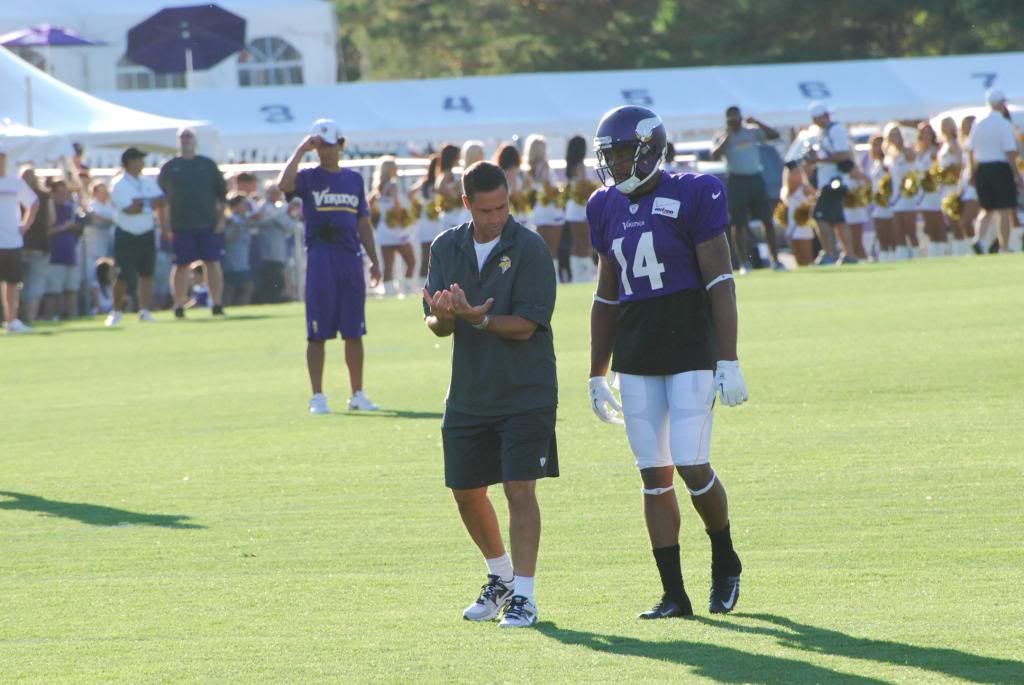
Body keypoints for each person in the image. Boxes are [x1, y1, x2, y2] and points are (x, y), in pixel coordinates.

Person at [586, 105, 747, 620]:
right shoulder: (604, 205)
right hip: (637, 351)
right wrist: (596, 370)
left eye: (622, 152)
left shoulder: (694, 191)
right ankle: (674, 594)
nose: (613, 163)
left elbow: (720, 281)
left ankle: (725, 558)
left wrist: (729, 358)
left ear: (651, 147)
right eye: (608, 154)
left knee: (690, 461)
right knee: (653, 476)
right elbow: (606, 295)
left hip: (688, 346)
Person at [422, 160, 557, 629]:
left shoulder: (531, 247)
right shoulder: (446, 246)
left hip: (526, 390)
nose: (496, 216)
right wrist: (443, 315)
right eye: (486, 210)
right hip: (469, 392)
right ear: (466, 206)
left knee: (520, 489)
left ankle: (525, 595)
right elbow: (437, 326)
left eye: (502, 206)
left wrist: (477, 319)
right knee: (464, 491)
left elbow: (527, 325)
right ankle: (498, 574)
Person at [277, 118, 382, 414]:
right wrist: (300, 150)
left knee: (354, 330)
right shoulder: (309, 177)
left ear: (341, 145)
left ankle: (357, 393)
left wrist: (374, 259)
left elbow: (363, 222)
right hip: (322, 258)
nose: (325, 151)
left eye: (330, 145)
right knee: (317, 331)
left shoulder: (353, 180)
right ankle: (318, 396)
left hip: (350, 258)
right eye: (320, 145)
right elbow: (283, 184)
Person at [158, 128, 228, 318]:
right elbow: (161, 200)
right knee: (181, 265)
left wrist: (221, 220)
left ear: (195, 141)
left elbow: (222, 195)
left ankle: (217, 303)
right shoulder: (170, 167)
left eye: (189, 137)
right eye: (182, 137)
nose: (186, 140)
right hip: (181, 224)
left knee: (212, 263)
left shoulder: (207, 165)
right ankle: (179, 305)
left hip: (208, 222)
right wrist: (164, 225)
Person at [710, 106, 783, 271]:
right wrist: (727, 136)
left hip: (755, 178)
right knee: (739, 222)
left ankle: (776, 260)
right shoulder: (722, 136)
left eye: (736, 118)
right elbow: (714, 155)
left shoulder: (751, 132)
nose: (734, 122)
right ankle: (744, 262)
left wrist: (757, 122)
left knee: (767, 220)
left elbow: (774, 135)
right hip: (737, 180)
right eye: (731, 119)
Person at [107, 147, 163, 326]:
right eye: (139, 159)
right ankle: (116, 311)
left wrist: (141, 203)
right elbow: (129, 209)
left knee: (147, 273)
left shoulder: (147, 182)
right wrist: (147, 203)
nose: (142, 163)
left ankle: (145, 310)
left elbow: (161, 200)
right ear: (130, 162)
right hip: (127, 233)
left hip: (147, 231)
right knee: (123, 274)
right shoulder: (119, 184)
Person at [968, 89, 1022, 253]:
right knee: (1004, 209)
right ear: (1000, 104)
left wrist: (972, 171)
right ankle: (1004, 246)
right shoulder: (1004, 124)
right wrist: (1018, 175)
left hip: (982, 168)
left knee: (987, 208)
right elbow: (1010, 152)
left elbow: (971, 150)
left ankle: (979, 240)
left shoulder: (978, 122)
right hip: (1000, 168)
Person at [807, 102, 853, 265]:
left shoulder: (836, 130)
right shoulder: (823, 132)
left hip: (834, 180)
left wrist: (819, 159)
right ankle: (848, 254)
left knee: (819, 216)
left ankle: (829, 253)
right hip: (828, 180)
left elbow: (843, 154)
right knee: (838, 219)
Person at [0, 148, 40, 333]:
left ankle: (12, 320)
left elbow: (33, 202)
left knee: (12, 282)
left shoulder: (14, 182)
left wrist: (26, 225)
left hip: (11, 241)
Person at [369, 156, 416, 297]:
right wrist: (402, 218)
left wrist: (377, 217)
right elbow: (397, 204)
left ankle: (389, 292)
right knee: (411, 260)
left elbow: (369, 204)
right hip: (396, 229)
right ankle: (407, 290)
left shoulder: (378, 187)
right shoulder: (393, 184)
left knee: (388, 265)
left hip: (384, 230)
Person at [43, 179, 83, 320]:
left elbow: (79, 227)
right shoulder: (48, 208)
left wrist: (74, 226)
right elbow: (46, 232)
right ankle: (51, 316)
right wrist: (64, 227)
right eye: (60, 192)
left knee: (71, 289)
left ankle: (72, 315)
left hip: (70, 254)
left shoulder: (70, 209)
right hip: (54, 256)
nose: (64, 195)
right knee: (53, 291)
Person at [523, 135, 564, 267]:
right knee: (553, 250)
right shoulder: (544, 165)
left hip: (537, 212)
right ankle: (555, 277)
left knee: (541, 249)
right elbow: (548, 186)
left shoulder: (529, 169)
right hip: (550, 211)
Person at [18, 166, 51, 324]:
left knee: (17, 283)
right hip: (36, 245)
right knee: (34, 284)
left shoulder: (14, 195)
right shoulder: (44, 196)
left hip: (18, 244)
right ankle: (28, 318)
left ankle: (18, 317)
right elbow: (52, 220)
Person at [253, 182, 295, 303]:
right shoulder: (261, 207)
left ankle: (278, 297)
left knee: (279, 275)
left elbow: (290, 226)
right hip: (264, 249)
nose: (275, 195)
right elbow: (256, 222)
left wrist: (275, 218)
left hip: (280, 249)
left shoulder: (283, 207)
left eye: (277, 192)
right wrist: (273, 219)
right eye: (272, 192)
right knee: (268, 276)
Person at [564, 135, 598, 281]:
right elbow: (585, 187)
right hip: (581, 209)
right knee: (585, 243)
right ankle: (584, 275)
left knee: (577, 243)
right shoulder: (580, 166)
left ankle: (578, 274)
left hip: (573, 209)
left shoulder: (571, 166)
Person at [884, 123, 919, 260]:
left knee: (910, 230)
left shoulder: (907, 152)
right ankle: (902, 258)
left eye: (897, 134)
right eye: (892, 134)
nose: (895, 137)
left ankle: (916, 256)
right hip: (895, 197)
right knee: (898, 231)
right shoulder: (889, 155)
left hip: (907, 195)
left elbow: (913, 164)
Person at [84, 181, 116, 314]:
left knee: (108, 276)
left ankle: (111, 304)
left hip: (108, 246)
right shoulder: (93, 206)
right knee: (94, 277)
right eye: (101, 191)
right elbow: (97, 218)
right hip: (94, 247)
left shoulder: (110, 207)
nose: (105, 193)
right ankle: (97, 306)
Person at [938, 117, 969, 256]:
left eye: (948, 125)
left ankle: (966, 249)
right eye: (943, 125)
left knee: (959, 221)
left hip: (954, 186)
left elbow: (960, 162)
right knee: (952, 222)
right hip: (945, 187)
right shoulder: (943, 144)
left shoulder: (955, 143)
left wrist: (954, 174)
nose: (945, 128)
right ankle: (958, 250)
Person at [915, 122, 947, 256]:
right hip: (923, 192)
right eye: (923, 133)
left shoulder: (935, 151)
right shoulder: (917, 153)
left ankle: (943, 251)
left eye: (928, 132)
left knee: (938, 222)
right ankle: (934, 251)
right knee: (928, 224)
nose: (925, 135)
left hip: (935, 191)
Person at [411, 152, 441, 279]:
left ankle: (427, 282)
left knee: (427, 255)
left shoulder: (425, 182)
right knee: (427, 256)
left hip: (430, 220)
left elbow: (410, 194)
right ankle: (423, 284)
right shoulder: (431, 182)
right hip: (430, 220)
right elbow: (410, 193)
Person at [868, 135, 897, 261]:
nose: (877, 148)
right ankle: (884, 258)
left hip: (888, 202)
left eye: (880, 144)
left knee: (891, 235)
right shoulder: (874, 163)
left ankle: (895, 258)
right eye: (874, 145)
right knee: (882, 236)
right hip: (878, 203)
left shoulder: (887, 162)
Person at [222, 194, 255, 306]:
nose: (246, 207)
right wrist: (237, 228)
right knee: (229, 292)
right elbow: (227, 239)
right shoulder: (229, 221)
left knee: (246, 289)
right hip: (231, 263)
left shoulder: (246, 220)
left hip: (244, 263)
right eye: (243, 204)